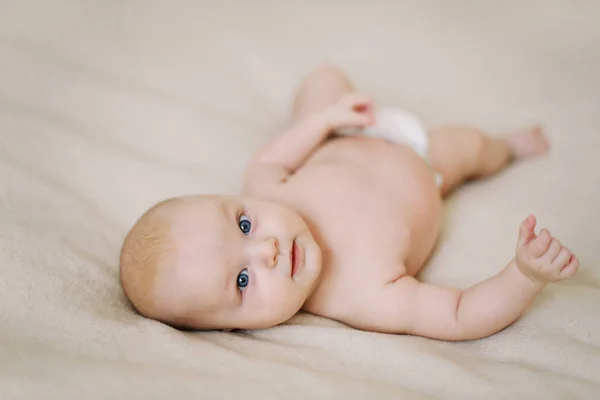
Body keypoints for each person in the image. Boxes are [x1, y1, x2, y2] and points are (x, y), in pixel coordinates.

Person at [119, 65, 578, 341]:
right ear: (233, 331)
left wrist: (323, 120)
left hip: (353, 133)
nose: (267, 250)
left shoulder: (265, 188)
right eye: (242, 281)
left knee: (325, 79)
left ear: (237, 201)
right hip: (425, 160)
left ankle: (318, 109)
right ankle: (508, 148)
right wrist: (524, 275)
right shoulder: (358, 295)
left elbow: (272, 156)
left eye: (243, 225)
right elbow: (459, 315)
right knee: (472, 147)